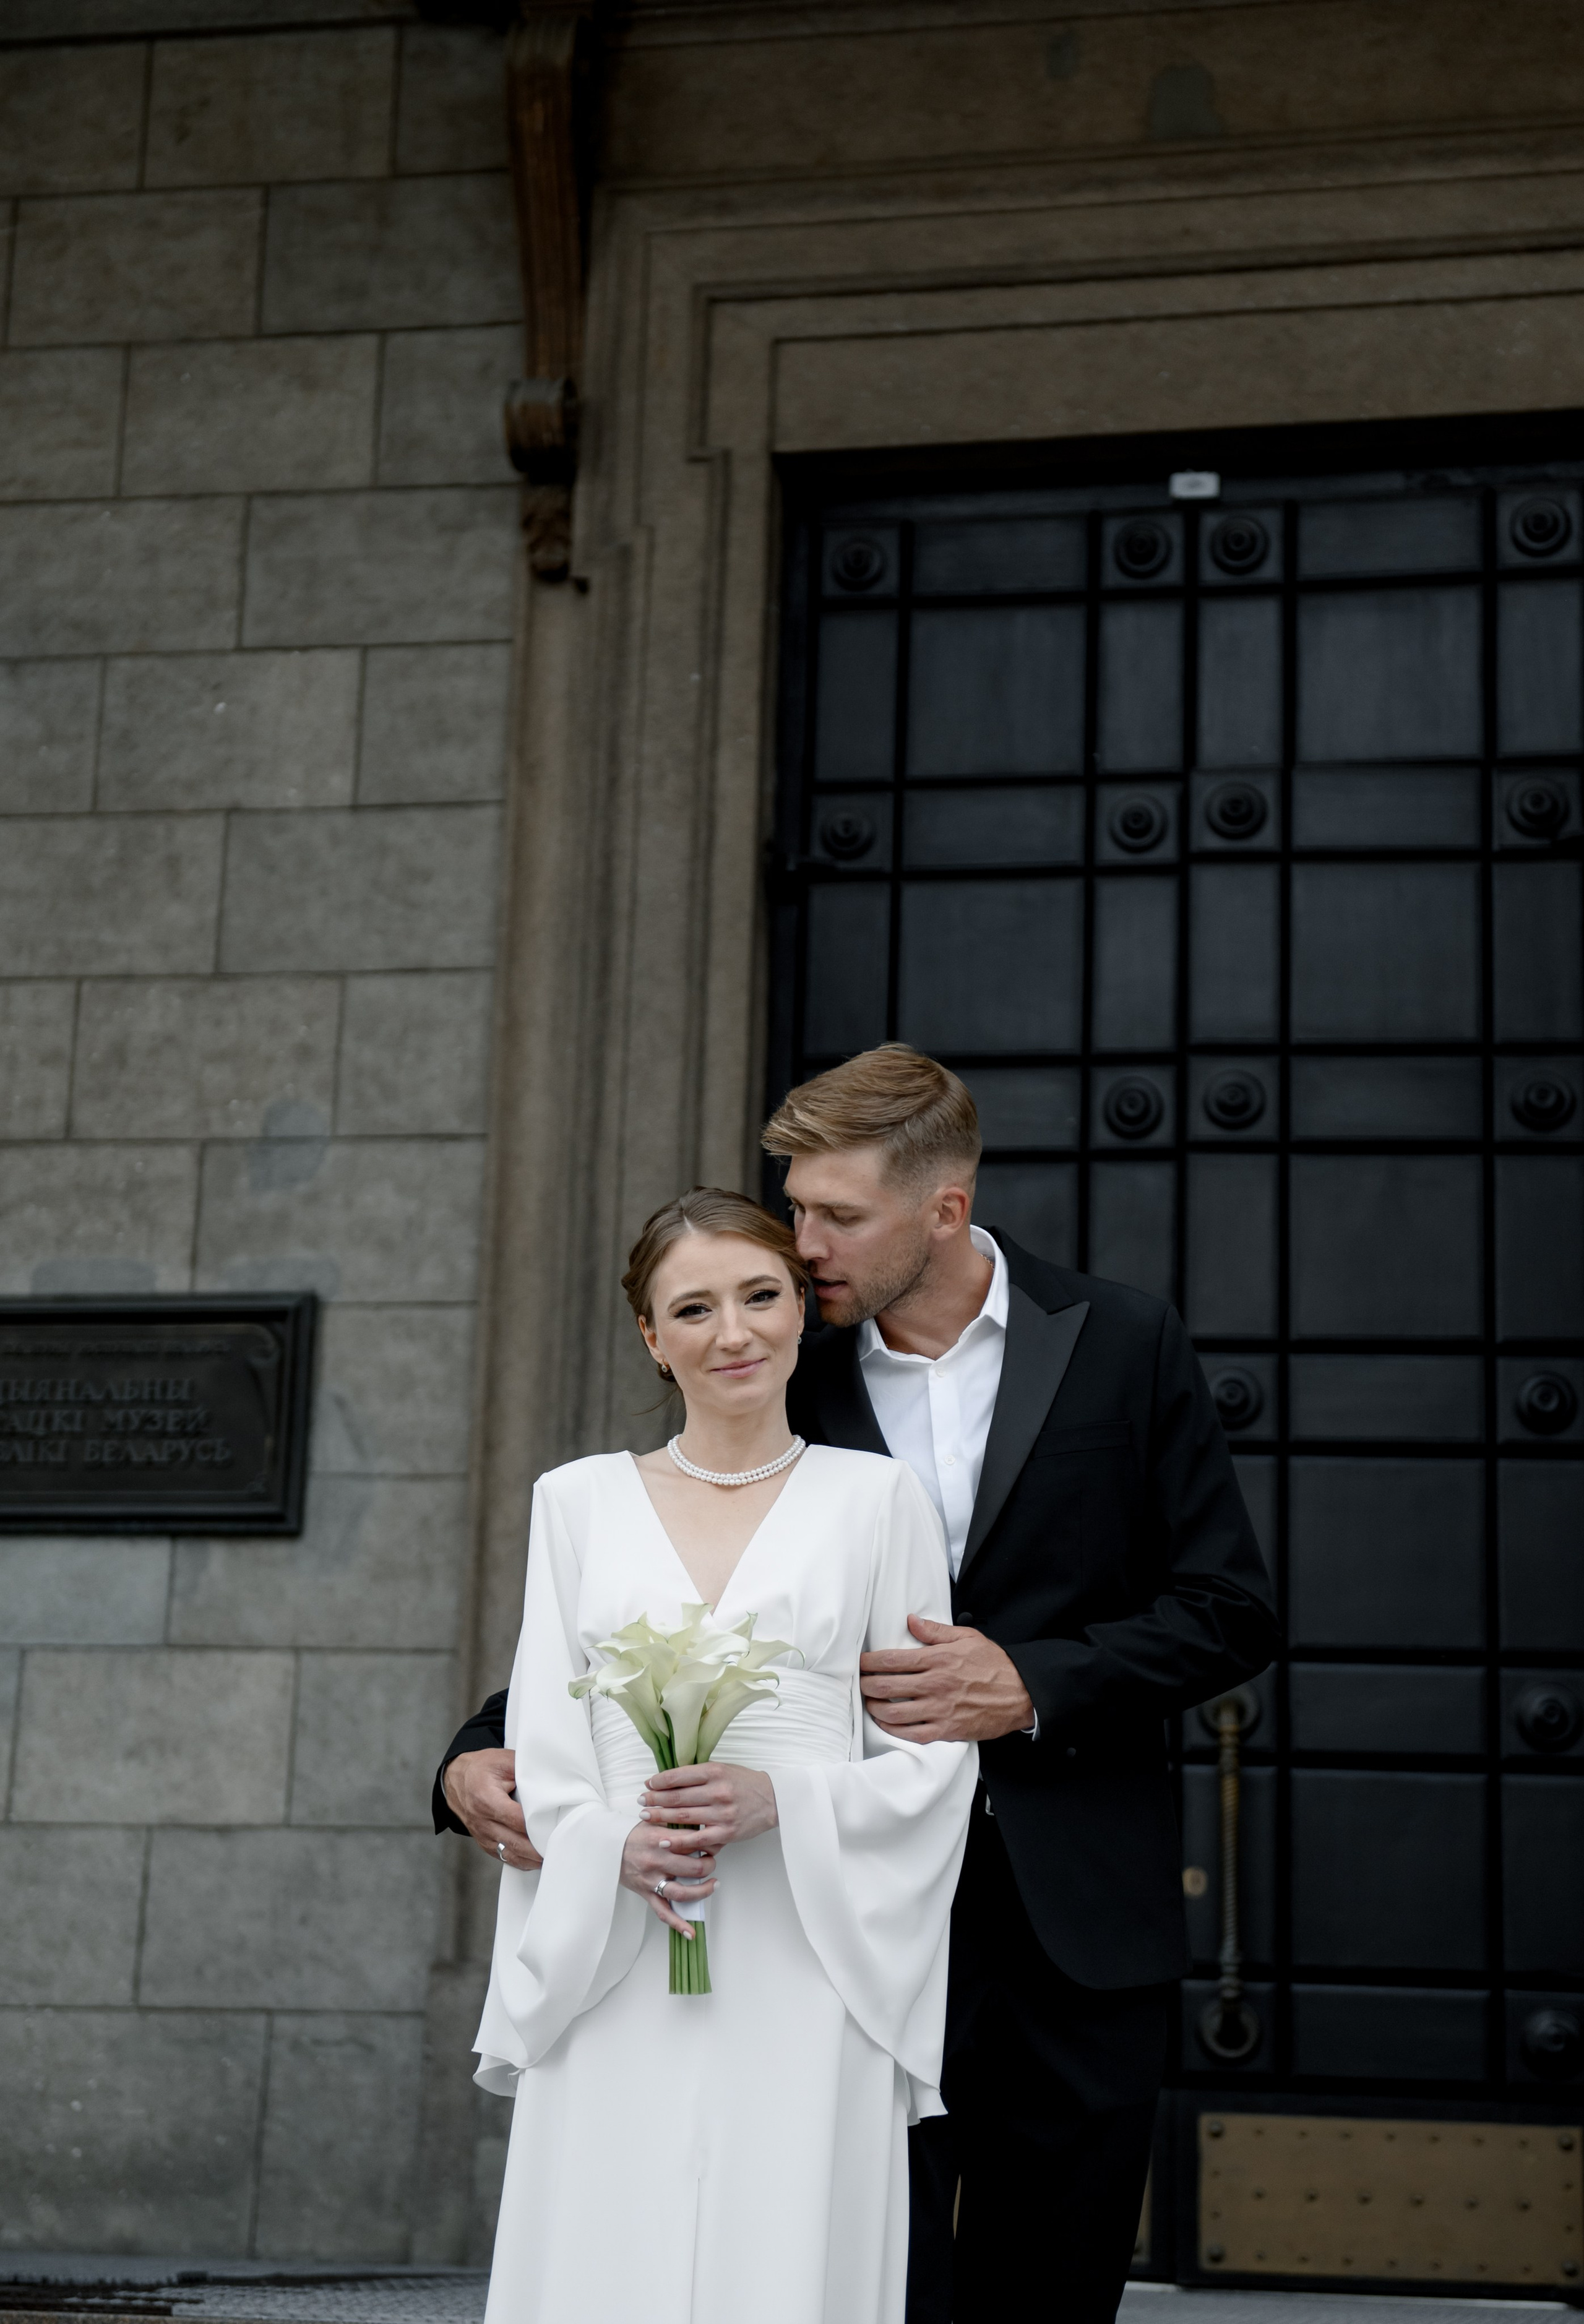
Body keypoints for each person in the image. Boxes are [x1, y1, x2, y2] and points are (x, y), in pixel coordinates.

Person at [439, 1048, 1278, 2324]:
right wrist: (471, 1753)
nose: (803, 1244)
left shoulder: (1120, 1341)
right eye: (797, 1209)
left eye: (836, 1215)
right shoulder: (783, 1353)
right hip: (827, 1928)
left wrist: (1029, 1682)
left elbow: (1229, 1610)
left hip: (1069, 1912)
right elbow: (662, 1597)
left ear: (944, 1207)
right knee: (855, 2281)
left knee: (1050, 2292)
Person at [473, 1184, 976, 2324]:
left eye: (759, 1296)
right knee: (613, 2244)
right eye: (693, 1309)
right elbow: (547, 1738)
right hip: (622, 1934)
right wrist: (611, 1846)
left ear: (803, 1308)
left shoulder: (880, 1500)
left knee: (784, 2241)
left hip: (811, 1942)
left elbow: (930, 1758)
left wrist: (782, 1798)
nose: (733, 1333)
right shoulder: (575, 1504)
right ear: (652, 1337)